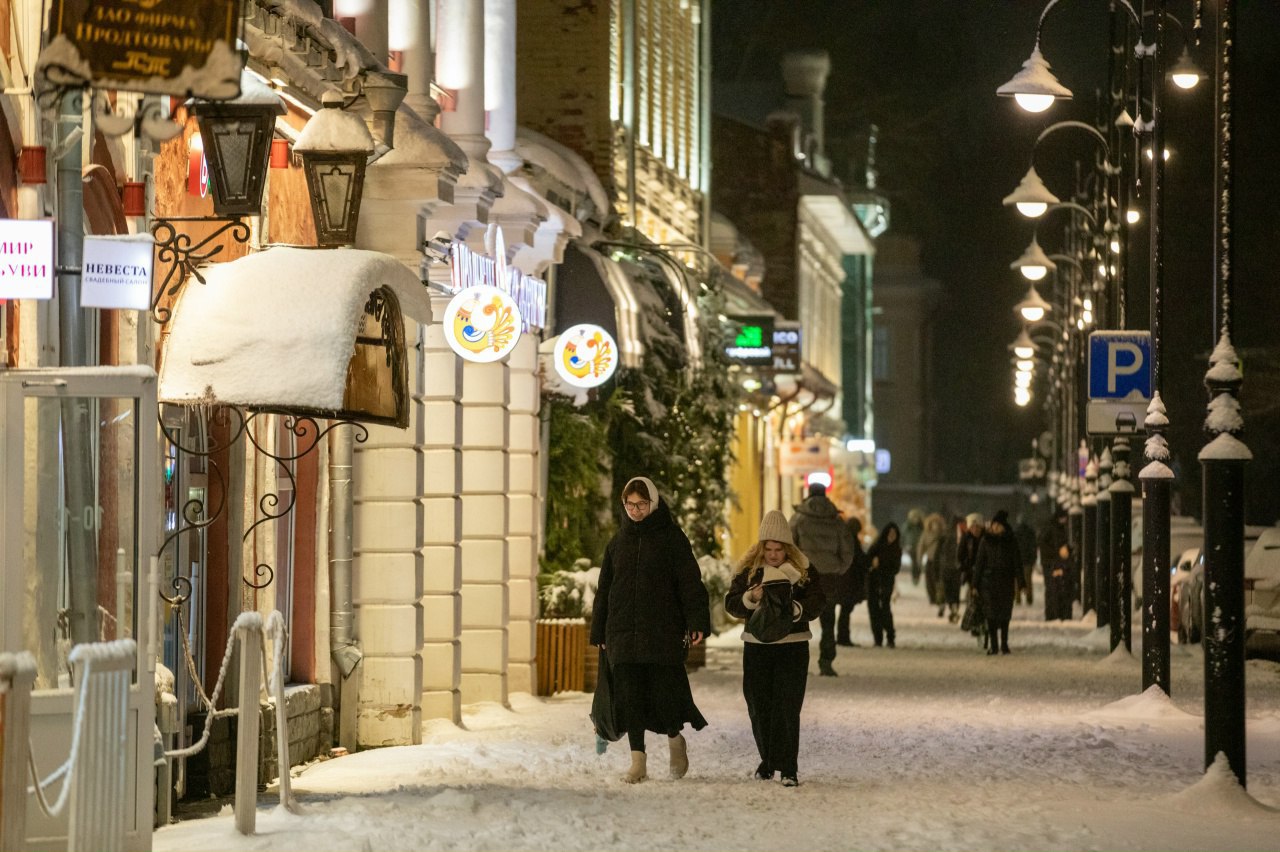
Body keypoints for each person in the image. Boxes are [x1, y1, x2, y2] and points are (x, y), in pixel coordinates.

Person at [591, 476, 710, 783]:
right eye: (629, 504)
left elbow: (689, 582)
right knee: (629, 696)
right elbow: (605, 590)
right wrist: (599, 632)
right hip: (622, 632)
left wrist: (696, 621)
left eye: (641, 504)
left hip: (661, 630)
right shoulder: (617, 542)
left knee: (665, 692)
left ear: (653, 503)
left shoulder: (672, 538)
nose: (635, 510)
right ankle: (638, 761)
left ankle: (675, 740)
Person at [724, 510, 825, 787]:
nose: (773, 555)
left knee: (788, 707)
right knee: (759, 706)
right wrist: (750, 597)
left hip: (793, 646)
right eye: (768, 549)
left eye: (778, 549)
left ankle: (788, 768)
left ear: (787, 548)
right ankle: (768, 760)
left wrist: (796, 609)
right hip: (757, 646)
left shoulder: (803, 572)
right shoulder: (748, 571)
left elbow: (818, 601)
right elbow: (731, 603)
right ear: (761, 548)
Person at [788, 483, 853, 676]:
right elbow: (847, 550)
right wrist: (838, 568)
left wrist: (796, 568)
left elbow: (788, 545)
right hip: (828, 577)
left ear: (809, 495)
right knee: (828, 620)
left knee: (798, 618)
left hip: (804, 575)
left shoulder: (799, 518)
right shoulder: (836, 520)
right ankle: (826, 662)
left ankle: (797, 663)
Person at [973, 509, 1022, 655]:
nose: (995, 527)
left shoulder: (1011, 541)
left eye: (998, 525)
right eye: (994, 525)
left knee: (1005, 614)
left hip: (1006, 582)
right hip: (988, 583)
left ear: (1003, 527)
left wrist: (1022, 582)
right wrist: (975, 584)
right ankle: (994, 645)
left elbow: (1017, 562)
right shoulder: (986, 540)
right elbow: (979, 563)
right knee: (991, 615)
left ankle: (1004, 644)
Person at [866, 522, 902, 648]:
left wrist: (880, 562)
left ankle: (890, 636)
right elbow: (867, 560)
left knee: (885, 609)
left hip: (886, 582)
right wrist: (872, 562)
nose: (892, 536)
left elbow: (895, 568)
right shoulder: (876, 546)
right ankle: (878, 638)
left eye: (894, 534)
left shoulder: (896, 549)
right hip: (873, 582)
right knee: (873, 609)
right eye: (890, 533)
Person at [837, 516, 868, 646]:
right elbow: (859, 559)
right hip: (850, 581)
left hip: (843, 580)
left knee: (845, 611)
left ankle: (842, 636)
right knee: (846, 611)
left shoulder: (843, 539)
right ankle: (843, 637)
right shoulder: (852, 541)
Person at [1039, 508, 1073, 621]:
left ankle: (1056, 613)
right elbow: (1045, 545)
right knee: (1053, 588)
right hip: (1052, 563)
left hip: (1055, 562)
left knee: (1056, 588)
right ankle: (1054, 614)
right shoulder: (1053, 529)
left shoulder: (1057, 528)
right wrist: (1058, 552)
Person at [935, 516, 966, 623]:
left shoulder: (944, 536)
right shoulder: (962, 536)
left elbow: (937, 554)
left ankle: (950, 606)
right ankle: (954, 608)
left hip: (945, 568)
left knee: (947, 590)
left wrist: (936, 569)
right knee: (955, 590)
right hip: (957, 568)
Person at [917, 512, 948, 612]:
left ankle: (940, 599)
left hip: (940, 561)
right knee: (929, 580)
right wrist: (919, 559)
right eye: (933, 523)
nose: (935, 525)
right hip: (930, 560)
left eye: (937, 523)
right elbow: (921, 547)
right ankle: (932, 598)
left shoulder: (944, 535)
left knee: (938, 581)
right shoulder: (926, 534)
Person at [1013, 515, 1038, 606]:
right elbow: (1033, 546)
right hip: (1028, 560)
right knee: (1028, 581)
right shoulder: (1030, 532)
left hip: (1018, 560)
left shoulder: (1015, 532)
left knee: (1017, 581)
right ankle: (1029, 598)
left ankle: (1018, 598)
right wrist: (1033, 558)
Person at [903, 508, 925, 585]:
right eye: (914, 517)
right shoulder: (908, 525)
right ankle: (915, 577)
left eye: (917, 517)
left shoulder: (921, 526)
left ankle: (917, 576)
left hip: (920, 546)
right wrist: (904, 545)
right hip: (911, 546)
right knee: (914, 562)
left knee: (918, 562)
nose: (916, 519)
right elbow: (903, 534)